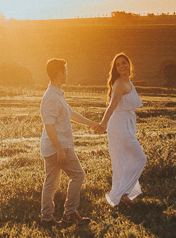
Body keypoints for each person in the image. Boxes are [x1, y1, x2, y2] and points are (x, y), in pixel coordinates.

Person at [39, 58, 102, 227]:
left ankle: (47, 219)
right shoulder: (52, 97)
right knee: (78, 175)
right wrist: (59, 149)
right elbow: (49, 125)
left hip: (52, 147)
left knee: (51, 183)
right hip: (59, 146)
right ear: (59, 73)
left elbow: (71, 114)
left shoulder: (56, 94)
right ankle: (70, 213)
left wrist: (92, 124)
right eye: (65, 71)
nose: (67, 74)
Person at [98, 53, 146, 206]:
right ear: (115, 68)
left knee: (127, 159)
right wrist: (103, 123)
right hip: (119, 125)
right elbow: (112, 105)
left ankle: (123, 194)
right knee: (139, 158)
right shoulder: (119, 83)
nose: (121, 66)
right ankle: (122, 193)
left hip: (126, 124)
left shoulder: (128, 82)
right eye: (118, 65)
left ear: (129, 64)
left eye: (123, 63)